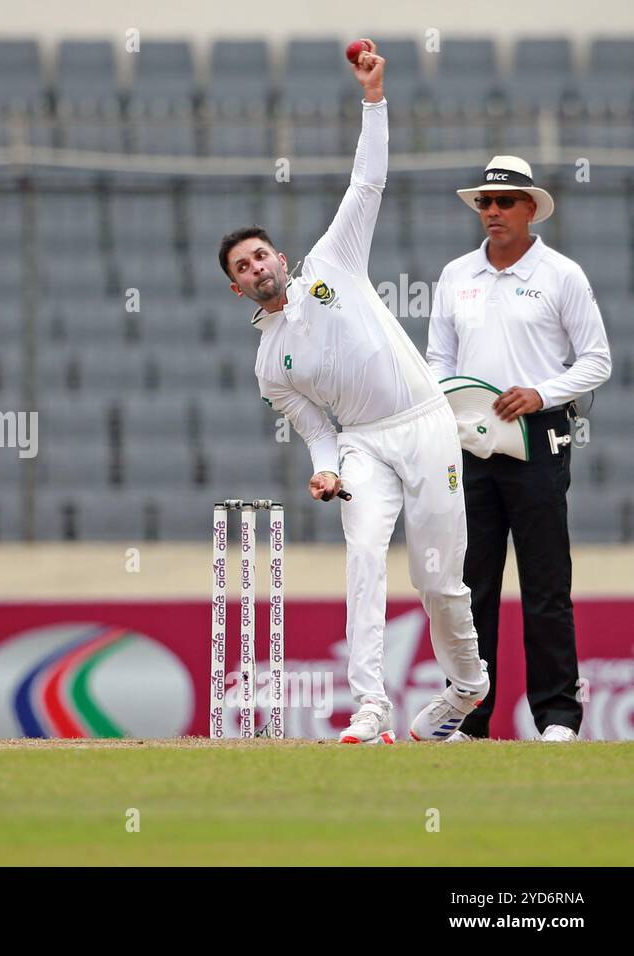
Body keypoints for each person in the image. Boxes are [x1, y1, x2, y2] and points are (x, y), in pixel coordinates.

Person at [217, 41, 490, 743]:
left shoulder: (331, 262)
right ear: (237, 287)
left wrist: (373, 97)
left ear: (279, 258)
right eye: (242, 268)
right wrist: (325, 468)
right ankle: (370, 707)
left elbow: (367, 182)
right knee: (365, 559)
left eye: (259, 255)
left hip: (426, 424)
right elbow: (314, 428)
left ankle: (467, 686)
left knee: (437, 582)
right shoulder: (268, 363)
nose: (255, 268)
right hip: (364, 446)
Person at [427, 156, 611, 742]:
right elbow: (438, 362)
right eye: (485, 202)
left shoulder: (562, 275)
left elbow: (597, 361)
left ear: (532, 208)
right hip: (471, 443)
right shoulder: (456, 274)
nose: (493, 211)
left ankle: (557, 716)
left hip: (539, 436)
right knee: (471, 584)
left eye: (505, 202)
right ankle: (470, 719)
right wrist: (452, 407)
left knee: (545, 583)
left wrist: (540, 394)